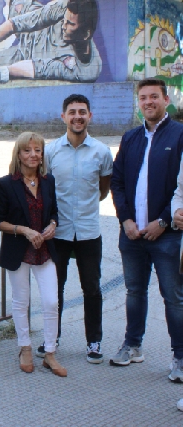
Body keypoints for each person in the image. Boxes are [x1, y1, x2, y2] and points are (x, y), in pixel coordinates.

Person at [111, 78, 183, 380]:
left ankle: (180, 356)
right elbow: (117, 182)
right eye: (143, 97)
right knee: (134, 292)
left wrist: (163, 222)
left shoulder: (179, 134)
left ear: (166, 100)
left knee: (174, 297)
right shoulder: (130, 138)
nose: (148, 102)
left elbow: (182, 189)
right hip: (132, 235)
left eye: (154, 96)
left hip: (166, 236)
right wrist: (126, 220)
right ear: (138, 102)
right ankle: (133, 345)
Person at [42, 94, 113, 363]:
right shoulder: (50, 152)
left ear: (90, 116)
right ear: (63, 117)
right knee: (55, 287)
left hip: (88, 230)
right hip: (58, 231)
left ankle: (93, 341)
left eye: (82, 111)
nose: (77, 116)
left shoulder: (101, 152)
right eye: (72, 112)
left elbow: (103, 189)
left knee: (92, 287)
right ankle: (52, 338)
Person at [0, 132, 66, 377]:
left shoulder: (48, 181)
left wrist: (53, 225)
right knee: (21, 302)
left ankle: (50, 354)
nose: (33, 155)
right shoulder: (5, 183)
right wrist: (23, 230)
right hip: (19, 251)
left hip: (44, 249)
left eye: (38, 150)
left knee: (51, 302)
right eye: (27, 150)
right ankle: (24, 348)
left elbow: (54, 212)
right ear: (19, 154)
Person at [0, 0, 101, 85]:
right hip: (26, 17)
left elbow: (40, 68)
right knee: (19, 6)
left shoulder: (87, 70)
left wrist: (0, 73)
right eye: (63, 20)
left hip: (24, 56)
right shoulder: (65, 7)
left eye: (70, 24)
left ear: (86, 34)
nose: (64, 25)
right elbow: (25, 21)